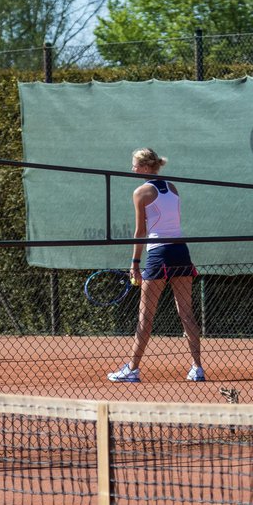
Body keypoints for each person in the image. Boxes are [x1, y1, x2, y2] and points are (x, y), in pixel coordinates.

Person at [107, 148, 205, 383]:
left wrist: (135, 262)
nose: (132, 169)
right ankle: (197, 368)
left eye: (135, 165)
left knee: (145, 315)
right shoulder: (172, 187)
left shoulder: (140, 192)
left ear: (146, 167)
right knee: (186, 313)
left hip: (159, 254)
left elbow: (141, 231)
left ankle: (132, 369)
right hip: (181, 252)